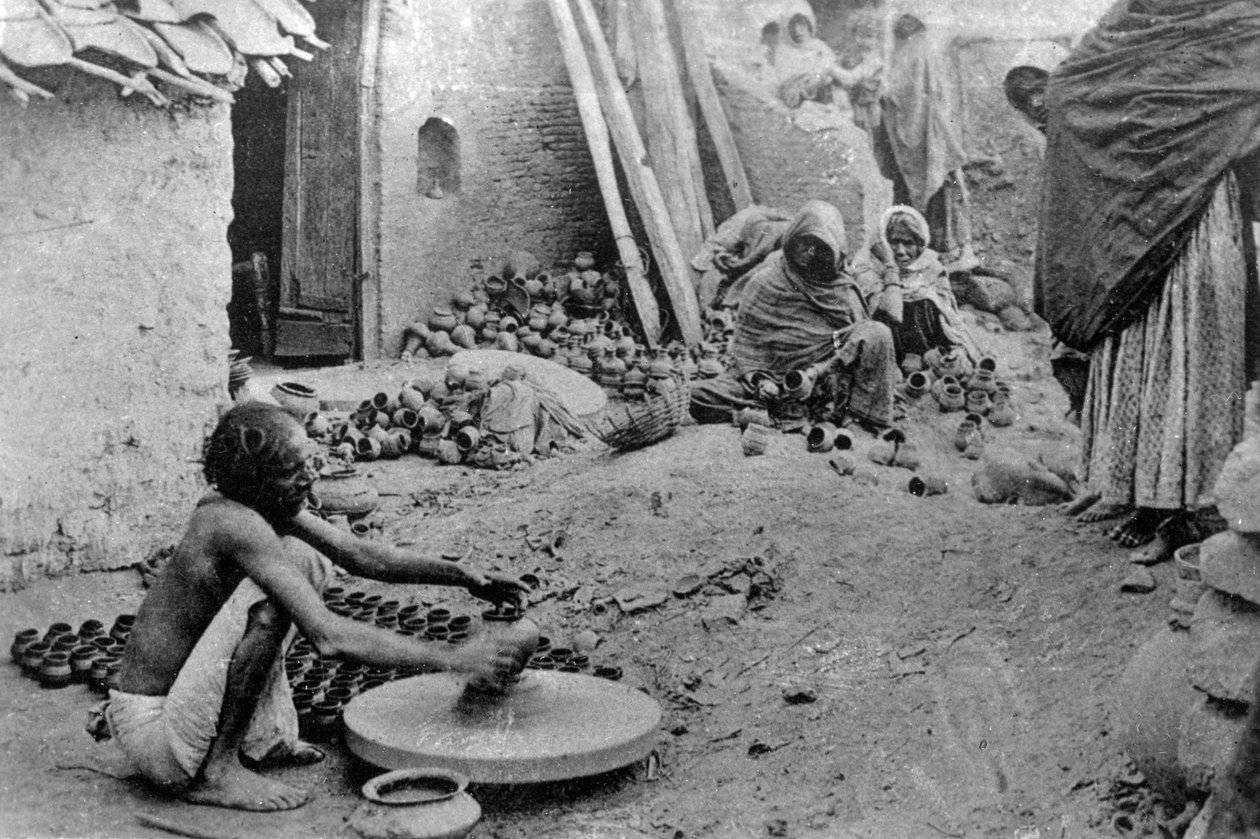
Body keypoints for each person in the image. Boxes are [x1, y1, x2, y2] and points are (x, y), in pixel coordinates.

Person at [97, 403, 530, 811]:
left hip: (176, 714)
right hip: (157, 738)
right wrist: (452, 658)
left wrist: (465, 575)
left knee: (304, 557)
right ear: (256, 479)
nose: (311, 476)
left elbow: (361, 556)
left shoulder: (260, 504)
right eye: (293, 470)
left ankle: (259, 740)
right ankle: (219, 771)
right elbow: (328, 638)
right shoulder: (231, 522)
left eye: (309, 461)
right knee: (271, 603)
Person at [1035, 0, 1260, 559]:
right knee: (1138, 343)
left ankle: (1180, 513)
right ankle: (1139, 494)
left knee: (1190, 354)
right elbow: (1068, 87)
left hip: (1203, 207)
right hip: (1135, 215)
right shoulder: (1135, 14)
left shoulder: (1241, 18)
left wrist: (1214, 133)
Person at [690, 200, 898, 430]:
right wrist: (760, 380)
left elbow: (847, 345)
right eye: (804, 243)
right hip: (773, 385)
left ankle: (842, 416)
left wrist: (817, 372)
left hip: (827, 383)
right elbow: (747, 349)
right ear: (791, 239)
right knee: (699, 396)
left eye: (819, 247)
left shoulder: (842, 291)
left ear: (835, 251)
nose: (809, 253)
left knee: (878, 333)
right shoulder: (765, 282)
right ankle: (788, 411)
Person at [868, 14, 976, 271]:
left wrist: (886, 93)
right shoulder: (915, 53)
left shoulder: (918, 53)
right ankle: (931, 249)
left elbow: (905, 93)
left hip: (932, 137)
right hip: (928, 139)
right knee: (929, 191)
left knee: (942, 192)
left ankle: (947, 250)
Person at [866, 204, 978, 367]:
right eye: (894, 242)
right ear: (884, 242)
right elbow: (886, 312)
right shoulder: (873, 268)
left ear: (919, 245)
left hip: (929, 355)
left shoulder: (932, 267)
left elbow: (949, 317)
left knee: (926, 299)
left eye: (908, 243)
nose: (901, 251)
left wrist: (957, 348)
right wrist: (890, 266)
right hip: (887, 355)